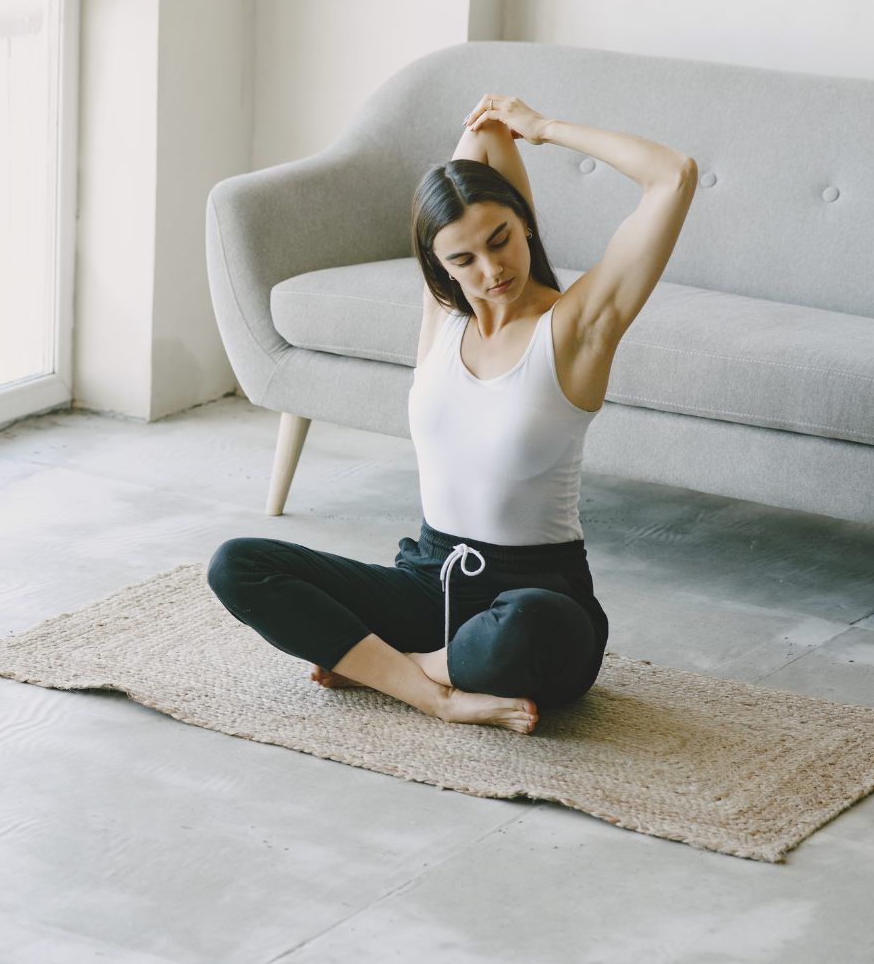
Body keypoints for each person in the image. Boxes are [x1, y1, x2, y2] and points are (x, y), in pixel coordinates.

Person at [208, 94, 697, 734]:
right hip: (426, 582)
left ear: (527, 223)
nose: (492, 271)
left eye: (500, 240)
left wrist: (542, 128)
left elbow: (674, 175)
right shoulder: (442, 317)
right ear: (438, 265)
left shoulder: (576, 327)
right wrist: (486, 129)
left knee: (527, 630)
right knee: (236, 564)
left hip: (535, 595)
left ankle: (389, 666)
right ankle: (435, 692)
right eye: (463, 259)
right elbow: (478, 147)